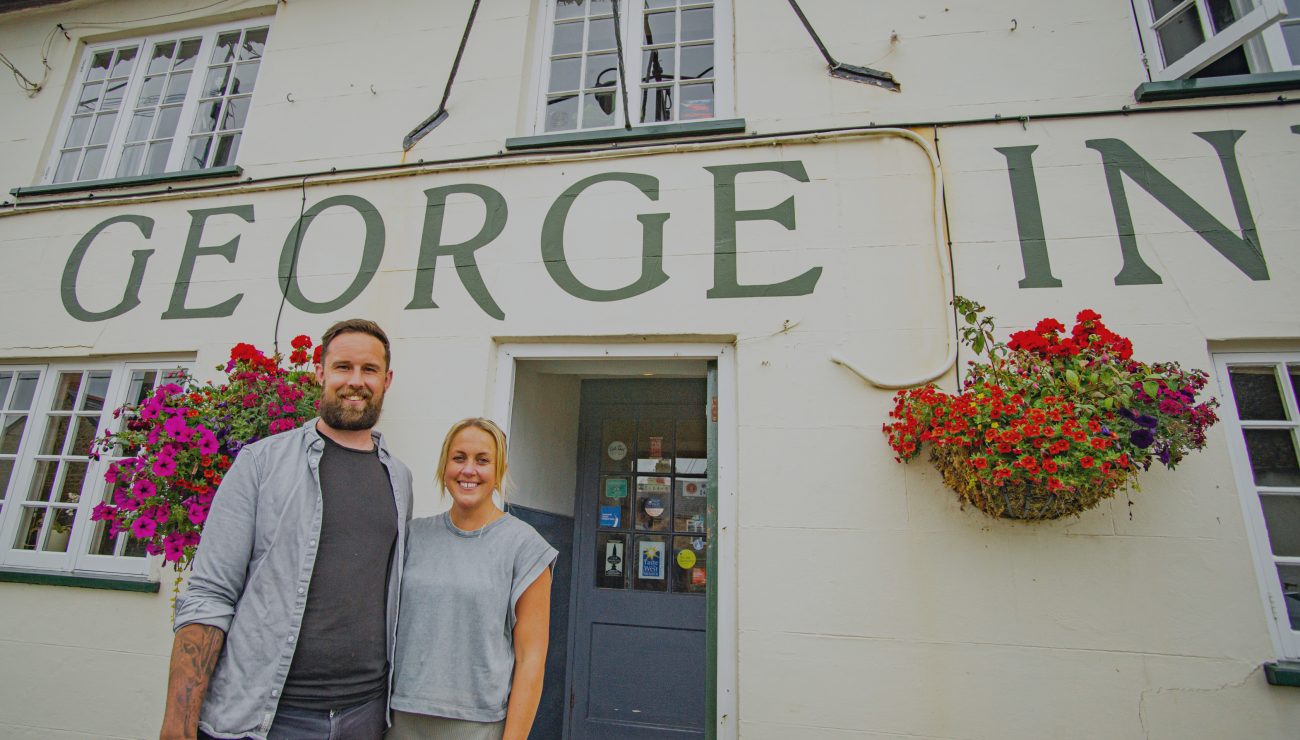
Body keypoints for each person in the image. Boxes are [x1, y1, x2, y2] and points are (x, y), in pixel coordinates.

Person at [161, 319, 414, 740]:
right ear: (319, 372)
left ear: (386, 380)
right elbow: (209, 594)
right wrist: (178, 723)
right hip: (270, 717)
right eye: (343, 367)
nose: (356, 381)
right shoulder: (261, 464)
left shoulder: (398, 478)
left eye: (369, 370)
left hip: (365, 715)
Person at [387, 418, 557, 740]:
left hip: (477, 728)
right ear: (444, 465)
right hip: (400, 721)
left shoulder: (526, 547)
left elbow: (531, 660)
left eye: (482, 460)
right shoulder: (412, 536)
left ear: (499, 470)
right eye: (459, 458)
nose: (469, 470)